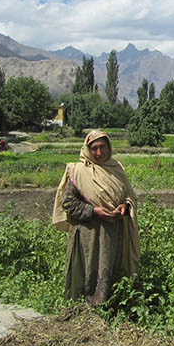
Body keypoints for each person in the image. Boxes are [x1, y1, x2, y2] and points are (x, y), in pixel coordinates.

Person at [52, 130, 140, 305]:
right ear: (87, 149)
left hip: (113, 231)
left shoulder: (116, 169)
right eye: (94, 148)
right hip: (88, 233)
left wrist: (124, 206)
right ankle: (85, 305)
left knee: (111, 266)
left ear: (109, 148)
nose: (98, 153)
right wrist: (94, 211)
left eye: (102, 147)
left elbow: (128, 196)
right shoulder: (77, 172)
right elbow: (68, 203)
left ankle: (112, 303)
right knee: (89, 268)